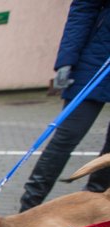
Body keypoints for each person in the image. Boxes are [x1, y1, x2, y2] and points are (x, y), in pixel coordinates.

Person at [19, 0, 110, 212]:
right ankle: (27, 211)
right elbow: (83, 8)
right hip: (96, 60)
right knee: (66, 136)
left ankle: (92, 208)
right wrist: (66, 60)